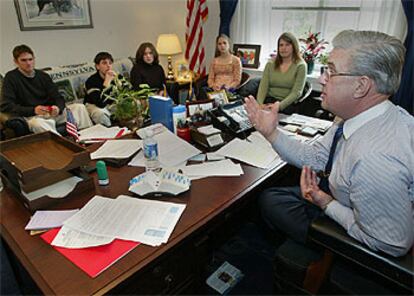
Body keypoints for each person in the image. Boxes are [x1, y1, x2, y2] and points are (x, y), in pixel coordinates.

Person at [245, 30, 414, 257]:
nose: (322, 78)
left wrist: (326, 204)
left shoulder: (375, 159)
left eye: (331, 71)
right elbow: (317, 157)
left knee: (268, 201)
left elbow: (390, 243)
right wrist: (271, 133)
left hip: (355, 227)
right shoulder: (357, 116)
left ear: (361, 86)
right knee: (269, 196)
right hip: (344, 197)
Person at [0, 45, 92, 134]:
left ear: (34, 59)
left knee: (79, 107)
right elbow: (7, 105)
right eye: (23, 60)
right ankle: (62, 146)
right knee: (38, 124)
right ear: (16, 62)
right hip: (33, 116)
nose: (28, 63)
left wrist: (58, 108)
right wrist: (33, 110)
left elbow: (58, 97)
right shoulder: (11, 78)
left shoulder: (43, 76)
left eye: (30, 59)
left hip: (51, 113)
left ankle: (89, 139)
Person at [256, 32, 307, 112]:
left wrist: (278, 107)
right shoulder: (270, 63)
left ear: (294, 47)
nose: (283, 48)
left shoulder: (301, 65)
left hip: (287, 103)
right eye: (281, 45)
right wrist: (259, 105)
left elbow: (297, 92)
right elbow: (263, 86)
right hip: (269, 100)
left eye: (287, 45)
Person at [84, 52, 120, 126]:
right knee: (100, 114)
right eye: (104, 63)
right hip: (94, 105)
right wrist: (107, 83)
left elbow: (127, 94)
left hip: (111, 104)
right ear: (97, 66)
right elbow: (100, 103)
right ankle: (110, 134)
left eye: (110, 63)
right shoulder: (91, 81)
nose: (108, 66)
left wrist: (119, 82)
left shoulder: (117, 77)